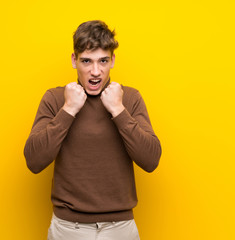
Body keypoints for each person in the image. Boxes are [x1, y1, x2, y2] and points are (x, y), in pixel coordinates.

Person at [24, 20, 162, 240]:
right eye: (86, 61)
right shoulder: (55, 99)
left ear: (113, 60)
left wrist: (118, 110)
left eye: (103, 61)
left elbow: (151, 159)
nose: (95, 72)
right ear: (74, 60)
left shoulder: (130, 99)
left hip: (121, 228)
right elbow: (33, 160)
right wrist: (68, 109)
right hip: (68, 228)